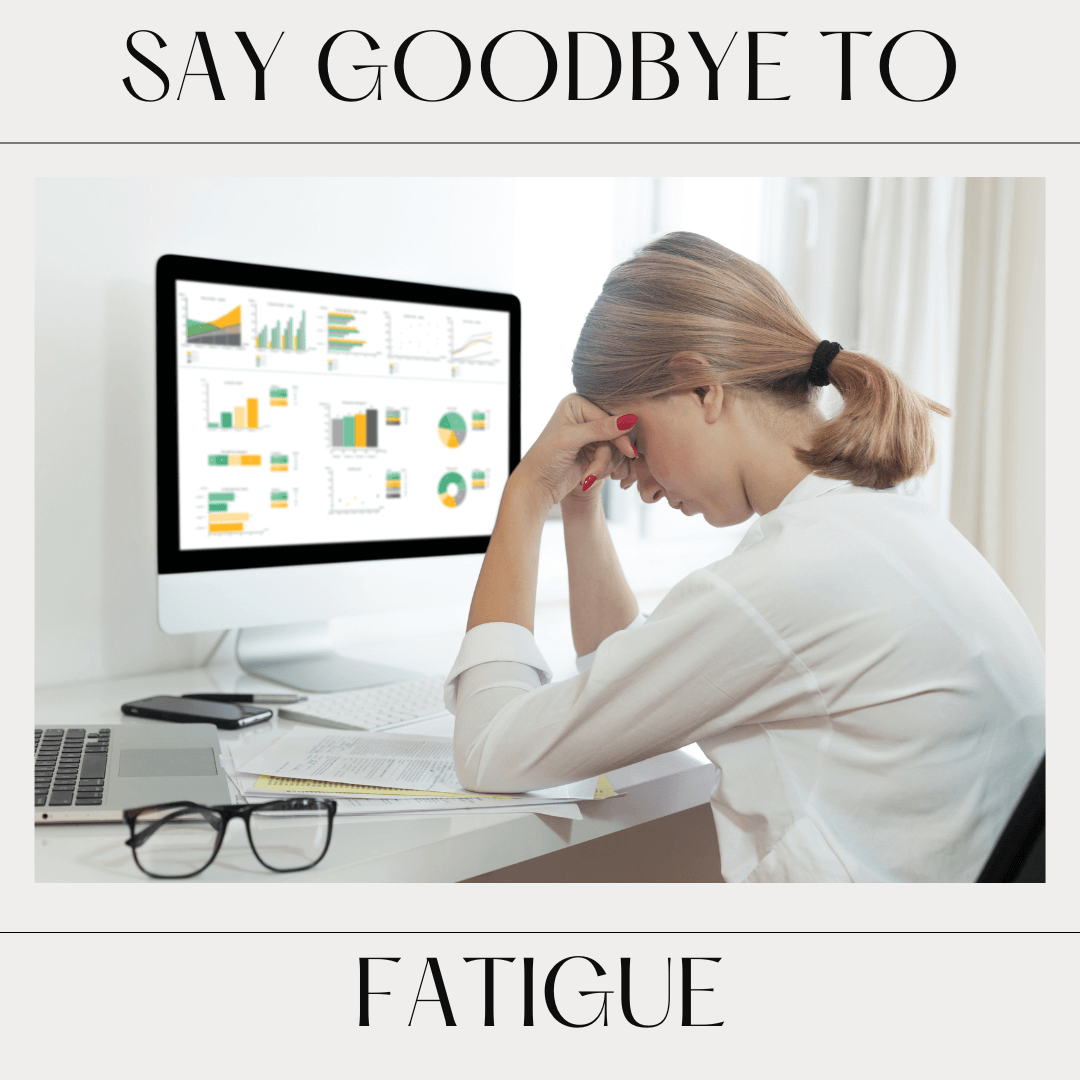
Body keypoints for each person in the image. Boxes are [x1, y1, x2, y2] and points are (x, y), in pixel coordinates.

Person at [443, 231, 1045, 883]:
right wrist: (581, 503)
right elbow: (630, 691)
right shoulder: (881, 523)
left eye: (634, 437)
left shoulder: (793, 577)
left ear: (703, 388)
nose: (637, 481)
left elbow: (486, 751)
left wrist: (525, 493)